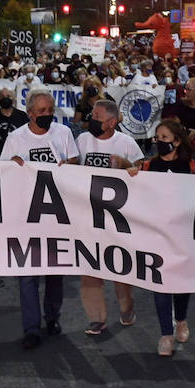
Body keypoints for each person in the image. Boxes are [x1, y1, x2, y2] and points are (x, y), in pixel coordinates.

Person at [0, 91, 80, 350]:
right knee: (28, 274)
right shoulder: (16, 138)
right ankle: (31, 328)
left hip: (57, 215)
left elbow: (75, 161)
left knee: (55, 273)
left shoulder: (63, 133)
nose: (47, 115)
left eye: (50, 110)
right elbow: (2, 170)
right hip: (26, 216)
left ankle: (52, 318)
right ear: (30, 113)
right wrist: (13, 163)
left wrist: (67, 165)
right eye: (42, 111)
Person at [126, 118, 195, 356]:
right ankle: (166, 334)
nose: (158, 141)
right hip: (156, 235)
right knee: (160, 284)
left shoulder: (190, 166)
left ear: (176, 141)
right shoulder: (148, 167)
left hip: (182, 235)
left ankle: (181, 319)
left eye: (164, 138)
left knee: (181, 284)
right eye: (157, 137)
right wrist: (130, 175)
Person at [76, 99, 143, 337]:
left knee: (119, 267)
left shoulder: (127, 143)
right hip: (88, 214)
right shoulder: (82, 140)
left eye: (97, 117)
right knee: (89, 267)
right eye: (92, 115)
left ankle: (126, 308)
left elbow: (143, 173)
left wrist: (125, 165)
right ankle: (97, 319)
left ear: (112, 122)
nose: (91, 120)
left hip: (117, 217)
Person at [0, 89, 27, 159]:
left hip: (17, 152)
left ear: (13, 99)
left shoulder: (22, 115)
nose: (5, 98)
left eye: (8, 96)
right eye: (2, 96)